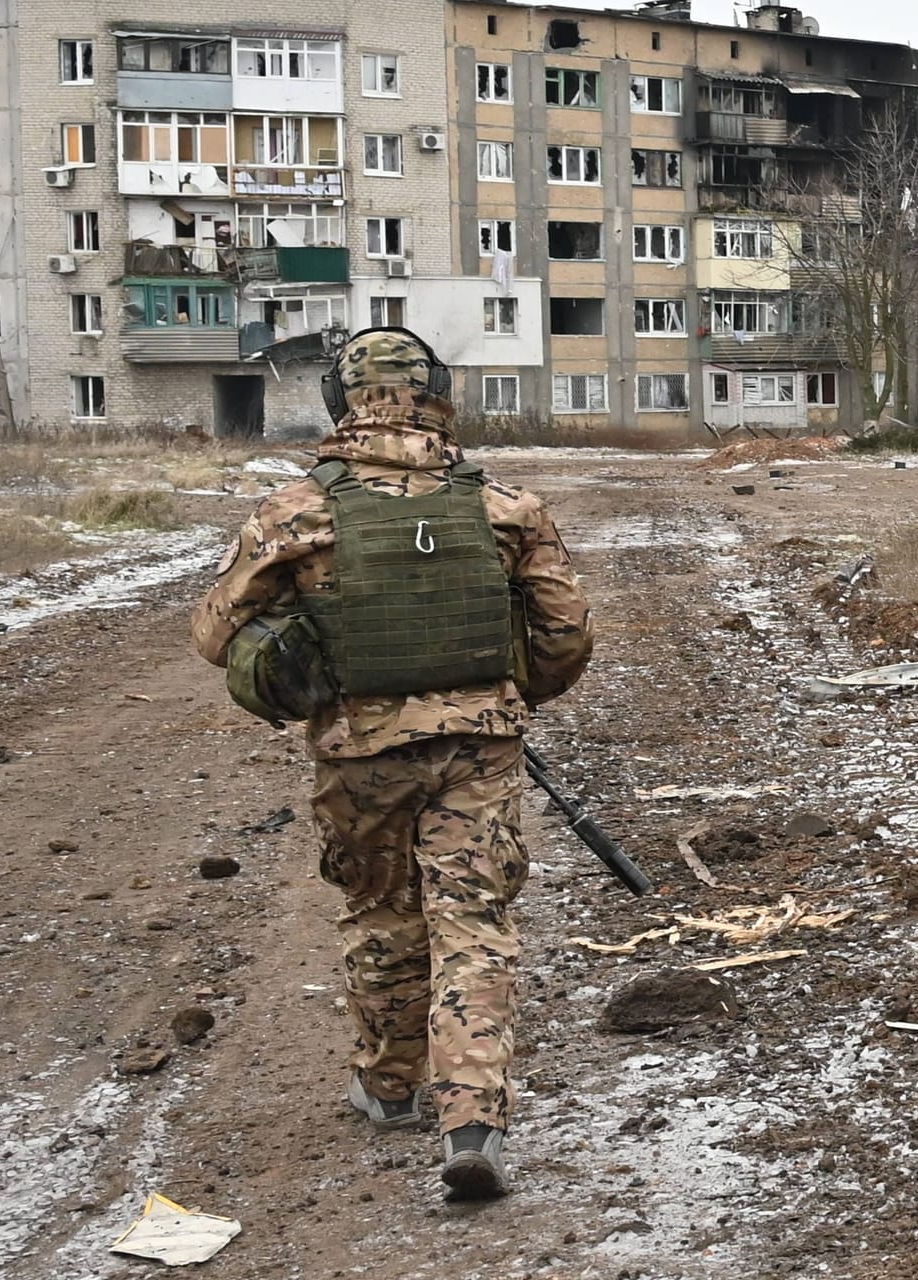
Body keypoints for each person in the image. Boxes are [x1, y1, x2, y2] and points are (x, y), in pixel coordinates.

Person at [192, 328, 592, 1199]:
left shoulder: (294, 514)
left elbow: (214, 635)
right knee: (472, 922)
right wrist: (500, 687)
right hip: (478, 748)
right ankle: (473, 1121)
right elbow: (565, 641)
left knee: (381, 912)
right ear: (440, 393)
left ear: (339, 401)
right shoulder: (507, 508)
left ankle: (388, 1088)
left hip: (359, 752)